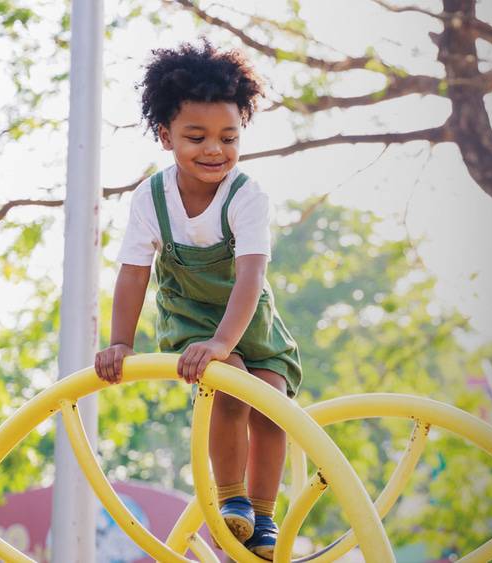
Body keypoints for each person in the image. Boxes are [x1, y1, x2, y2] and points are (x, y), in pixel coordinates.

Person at [94, 40, 301, 560]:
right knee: (230, 383)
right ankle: (232, 500)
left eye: (228, 137)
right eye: (196, 137)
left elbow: (252, 277)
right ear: (166, 137)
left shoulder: (246, 195)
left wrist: (225, 339)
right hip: (191, 319)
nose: (214, 150)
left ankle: (264, 514)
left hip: (249, 321)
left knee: (272, 403)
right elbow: (133, 274)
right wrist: (121, 341)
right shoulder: (153, 197)